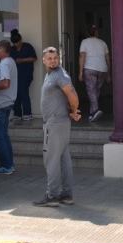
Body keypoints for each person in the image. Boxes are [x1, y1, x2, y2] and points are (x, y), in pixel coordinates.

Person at [33, 46, 81, 207]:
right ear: (44, 60)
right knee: (63, 159)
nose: (53, 61)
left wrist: (74, 110)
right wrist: (70, 111)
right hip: (59, 122)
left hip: (55, 124)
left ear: (58, 59)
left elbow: (72, 94)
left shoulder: (60, 75)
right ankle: (67, 195)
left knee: (51, 160)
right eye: (50, 58)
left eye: (56, 58)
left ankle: (52, 195)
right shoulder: (51, 75)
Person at [0, 39, 17, 175]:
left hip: (1, 104)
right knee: (3, 135)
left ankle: (6, 166)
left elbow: (5, 84)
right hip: (6, 103)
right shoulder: (9, 61)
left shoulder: (5, 63)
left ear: (3, 51)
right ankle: (9, 164)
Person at [79, 24, 110, 122]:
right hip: (102, 69)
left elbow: (82, 57)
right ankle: (92, 113)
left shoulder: (85, 42)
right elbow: (108, 59)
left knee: (91, 91)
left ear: (87, 33)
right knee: (96, 90)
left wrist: (80, 72)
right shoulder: (103, 43)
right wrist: (108, 74)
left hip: (90, 69)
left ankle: (95, 110)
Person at [9, 30, 37, 122]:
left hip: (25, 74)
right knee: (15, 93)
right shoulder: (12, 49)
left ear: (21, 40)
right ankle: (17, 114)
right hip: (15, 75)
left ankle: (27, 113)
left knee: (23, 92)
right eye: (14, 43)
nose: (16, 44)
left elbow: (34, 58)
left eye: (17, 42)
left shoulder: (28, 47)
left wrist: (22, 60)